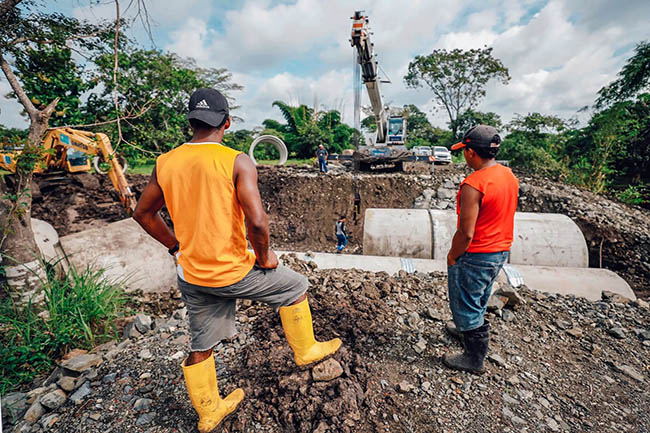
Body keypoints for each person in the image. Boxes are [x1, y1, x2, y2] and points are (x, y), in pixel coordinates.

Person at [133, 88, 342, 432]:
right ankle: (305, 351)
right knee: (296, 286)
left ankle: (209, 411)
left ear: (191, 122)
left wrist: (175, 247)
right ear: (226, 122)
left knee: (201, 344)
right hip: (232, 270)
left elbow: (142, 213)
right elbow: (257, 221)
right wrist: (265, 257)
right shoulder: (236, 160)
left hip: (192, 274)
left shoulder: (165, 163)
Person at [442, 125, 519, 375]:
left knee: (464, 299)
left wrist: (453, 256)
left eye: (465, 151)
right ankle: (466, 327)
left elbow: (466, 233)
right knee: (480, 295)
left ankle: (473, 358)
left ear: (472, 152)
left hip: (476, 254)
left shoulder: (473, 184)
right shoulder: (508, 175)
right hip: (499, 251)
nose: (464, 155)